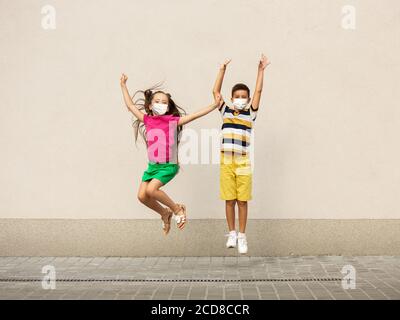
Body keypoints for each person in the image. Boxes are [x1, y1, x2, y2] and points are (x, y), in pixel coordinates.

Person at [120, 73, 222, 235]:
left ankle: (177, 210)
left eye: (164, 103)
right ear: (150, 106)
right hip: (152, 167)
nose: (161, 104)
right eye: (157, 102)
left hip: (169, 166)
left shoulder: (172, 121)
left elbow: (195, 115)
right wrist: (123, 86)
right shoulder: (147, 120)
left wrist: (214, 105)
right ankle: (164, 213)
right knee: (142, 196)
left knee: (152, 190)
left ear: (168, 107)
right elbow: (131, 107)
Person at [212, 54, 270, 253]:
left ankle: (243, 235)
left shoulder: (250, 113)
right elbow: (215, 91)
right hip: (226, 160)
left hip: (243, 161)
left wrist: (260, 71)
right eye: (237, 96)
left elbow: (259, 90)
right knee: (229, 199)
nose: (240, 99)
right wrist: (222, 69)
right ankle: (232, 233)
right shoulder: (225, 111)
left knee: (242, 200)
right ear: (231, 98)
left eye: (244, 97)